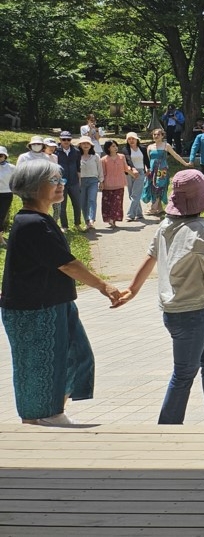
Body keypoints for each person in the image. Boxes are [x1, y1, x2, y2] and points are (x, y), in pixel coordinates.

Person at [116, 170, 204, 425]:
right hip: (189, 312)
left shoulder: (166, 225)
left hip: (189, 309)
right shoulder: (199, 230)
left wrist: (133, 289)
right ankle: (167, 427)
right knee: (184, 373)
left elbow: (151, 257)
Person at [0, 159, 121, 425]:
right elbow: (66, 263)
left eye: (60, 180)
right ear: (33, 187)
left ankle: (51, 412)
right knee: (39, 364)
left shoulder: (40, 219)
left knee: (77, 357)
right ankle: (39, 417)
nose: (60, 186)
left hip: (55, 302)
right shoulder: (32, 223)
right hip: (33, 309)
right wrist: (104, 286)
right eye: (53, 181)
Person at [144, 128, 189, 217]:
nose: (156, 136)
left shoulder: (166, 145)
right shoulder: (150, 147)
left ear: (162, 136)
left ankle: (153, 208)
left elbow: (175, 155)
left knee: (159, 187)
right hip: (152, 170)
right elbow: (147, 160)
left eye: (158, 134)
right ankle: (160, 208)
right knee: (153, 187)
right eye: (154, 134)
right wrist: (147, 169)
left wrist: (185, 163)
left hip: (162, 170)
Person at [99, 140, 131, 228]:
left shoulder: (121, 157)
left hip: (119, 184)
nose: (115, 147)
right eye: (113, 146)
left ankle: (113, 220)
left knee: (117, 203)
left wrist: (134, 173)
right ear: (108, 148)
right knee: (107, 203)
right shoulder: (103, 160)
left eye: (116, 146)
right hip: (107, 185)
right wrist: (101, 182)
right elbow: (102, 173)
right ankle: (109, 219)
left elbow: (126, 168)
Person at [54, 132, 83, 231]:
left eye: (68, 139)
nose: (66, 141)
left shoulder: (76, 151)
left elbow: (78, 167)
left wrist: (79, 181)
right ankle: (64, 226)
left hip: (74, 181)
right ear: (60, 139)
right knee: (62, 205)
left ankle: (77, 224)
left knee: (77, 204)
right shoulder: (55, 151)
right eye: (63, 139)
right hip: (61, 182)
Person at [121, 133, 148, 222]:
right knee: (131, 194)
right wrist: (133, 168)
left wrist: (149, 168)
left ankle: (130, 215)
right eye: (129, 139)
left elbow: (146, 159)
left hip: (140, 172)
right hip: (129, 172)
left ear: (137, 140)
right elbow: (128, 159)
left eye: (133, 139)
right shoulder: (125, 149)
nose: (131, 141)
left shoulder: (142, 148)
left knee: (135, 194)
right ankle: (139, 214)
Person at [77, 138, 101, 229]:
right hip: (81, 181)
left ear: (91, 145)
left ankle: (91, 220)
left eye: (88, 143)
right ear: (80, 145)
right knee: (83, 201)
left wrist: (101, 181)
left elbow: (100, 169)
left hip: (93, 180)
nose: (86, 145)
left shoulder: (95, 156)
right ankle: (87, 221)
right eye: (83, 143)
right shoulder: (77, 156)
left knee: (92, 200)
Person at [0, 147, 13, 248]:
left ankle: (0, 237)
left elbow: (18, 179)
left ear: (5, 156)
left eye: (0, 156)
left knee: (2, 215)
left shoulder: (11, 167)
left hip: (6, 194)